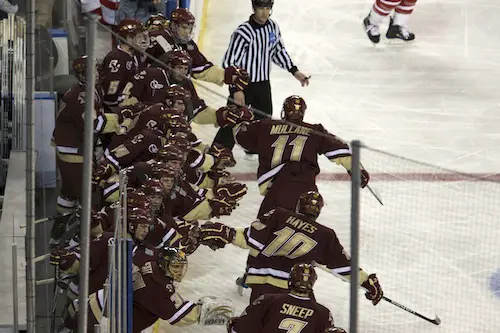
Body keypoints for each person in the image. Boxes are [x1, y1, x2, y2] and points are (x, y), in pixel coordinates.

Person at [198, 191, 383, 306]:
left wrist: (228, 233)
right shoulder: (326, 234)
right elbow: (344, 266)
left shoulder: (279, 214)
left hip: (262, 282)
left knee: (259, 324)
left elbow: (251, 238)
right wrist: (367, 282)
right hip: (295, 287)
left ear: (298, 206)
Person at [232, 95, 370, 218]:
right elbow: (340, 149)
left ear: (284, 111)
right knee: (303, 235)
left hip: (277, 191)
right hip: (306, 194)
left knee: (264, 236)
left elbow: (241, 138)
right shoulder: (315, 131)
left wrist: (241, 120)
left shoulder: (265, 126)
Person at [213, 0, 310, 160]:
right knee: (233, 117)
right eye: (261, 8)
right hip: (243, 85)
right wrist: (237, 89)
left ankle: (253, 148)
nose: (264, 13)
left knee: (264, 120)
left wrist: (294, 71)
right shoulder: (243, 32)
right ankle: (218, 153)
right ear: (254, 8)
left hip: (263, 84)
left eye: (267, 8)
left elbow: (278, 51)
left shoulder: (272, 27)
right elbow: (229, 63)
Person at [228, 263, 347, 333]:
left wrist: (234, 325)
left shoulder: (267, 300)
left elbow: (238, 330)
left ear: (290, 280)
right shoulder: (323, 313)